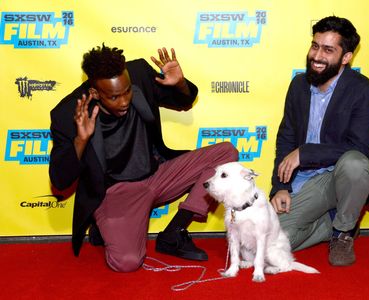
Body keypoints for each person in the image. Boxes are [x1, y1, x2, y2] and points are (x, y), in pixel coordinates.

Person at [49, 44, 238, 272]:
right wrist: (80, 141)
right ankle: (104, 226)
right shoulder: (68, 114)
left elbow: (183, 102)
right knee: (127, 263)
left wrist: (179, 83)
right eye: (115, 96)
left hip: (158, 175)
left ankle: (173, 234)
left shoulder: (138, 72)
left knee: (226, 153)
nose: (124, 101)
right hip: (117, 194)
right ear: (95, 93)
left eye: (128, 91)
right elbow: (59, 181)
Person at [269, 16, 369, 266]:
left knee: (355, 162)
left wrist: (306, 153)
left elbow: (360, 148)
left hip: (340, 177)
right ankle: (331, 223)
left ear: (346, 57)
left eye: (328, 50)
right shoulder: (299, 85)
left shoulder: (364, 91)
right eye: (315, 46)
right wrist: (280, 186)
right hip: (304, 179)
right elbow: (286, 136)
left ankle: (343, 232)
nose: (317, 56)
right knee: (268, 244)